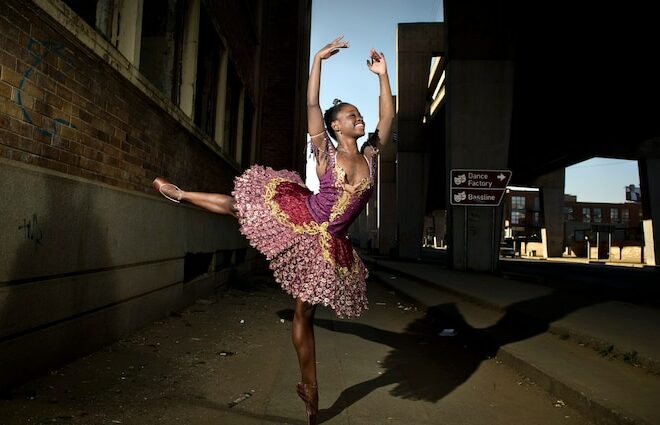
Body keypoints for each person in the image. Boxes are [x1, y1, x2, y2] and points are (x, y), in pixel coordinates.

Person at [152, 35, 393, 425]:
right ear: (335, 126)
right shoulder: (323, 151)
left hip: (330, 245)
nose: (359, 118)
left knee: (304, 314)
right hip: (302, 217)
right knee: (240, 207)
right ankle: (181, 194)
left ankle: (307, 387)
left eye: (358, 115)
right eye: (351, 116)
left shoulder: (370, 154)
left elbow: (387, 117)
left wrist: (383, 77)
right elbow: (312, 103)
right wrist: (317, 59)